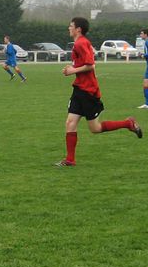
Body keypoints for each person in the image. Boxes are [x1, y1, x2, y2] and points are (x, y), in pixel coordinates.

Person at [55, 17, 142, 167]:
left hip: (88, 91)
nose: (68, 28)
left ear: (78, 29)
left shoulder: (81, 43)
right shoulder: (79, 43)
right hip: (79, 89)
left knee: (95, 128)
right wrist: (72, 67)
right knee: (70, 123)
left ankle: (128, 123)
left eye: (71, 26)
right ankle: (70, 160)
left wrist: (72, 70)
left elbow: (91, 65)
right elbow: (84, 64)